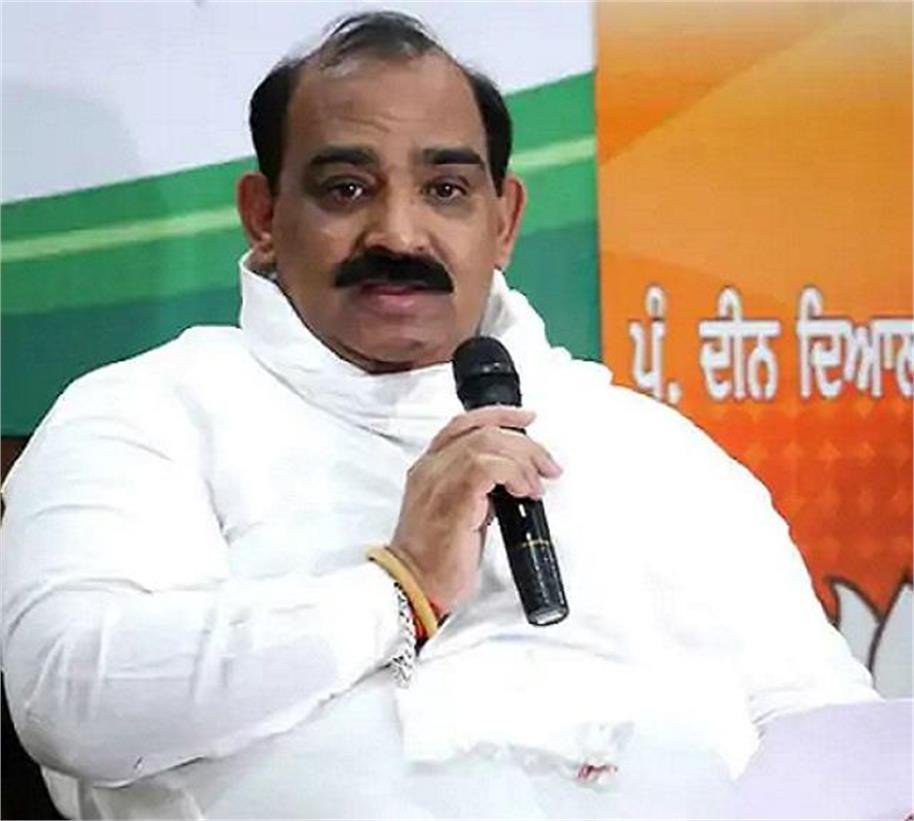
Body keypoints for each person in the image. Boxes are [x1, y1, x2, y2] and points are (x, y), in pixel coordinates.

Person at [0, 11, 877, 819]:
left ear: (505, 221)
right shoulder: (148, 414)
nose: (399, 233)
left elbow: (824, 727)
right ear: (264, 216)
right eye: (347, 188)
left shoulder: (650, 448)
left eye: (447, 189)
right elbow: (68, 697)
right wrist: (399, 586)